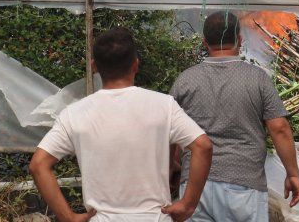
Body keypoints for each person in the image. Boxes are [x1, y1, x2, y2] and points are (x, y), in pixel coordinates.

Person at [30, 28, 213, 222]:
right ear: (135, 65)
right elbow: (203, 146)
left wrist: (68, 217)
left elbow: (38, 164)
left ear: (94, 66)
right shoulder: (163, 106)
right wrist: (188, 204)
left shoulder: (74, 114)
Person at [169, 12, 299, 222]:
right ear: (240, 40)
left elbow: (170, 133)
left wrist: (172, 168)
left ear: (205, 43)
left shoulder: (184, 81)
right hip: (244, 186)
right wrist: (292, 173)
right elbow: (279, 128)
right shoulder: (258, 79)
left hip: (194, 188)